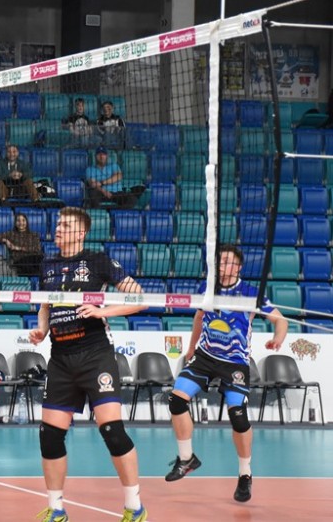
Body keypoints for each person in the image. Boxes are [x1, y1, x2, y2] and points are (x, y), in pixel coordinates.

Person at [30, 206, 148, 522]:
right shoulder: (47, 264)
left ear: (81, 232)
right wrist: (42, 329)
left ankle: (134, 506)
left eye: (66, 225)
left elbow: (140, 298)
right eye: (58, 223)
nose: (58, 229)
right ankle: (56, 509)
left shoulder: (98, 261)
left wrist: (102, 311)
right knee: (49, 436)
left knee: (112, 430)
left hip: (95, 355)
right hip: (60, 358)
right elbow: (45, 305)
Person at [165, 245, 288, 504]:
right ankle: (187, 458)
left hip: (235, 362)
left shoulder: (251, 293)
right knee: (176, 400)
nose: (223, 266)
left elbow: (281, 320)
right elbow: (199, 317)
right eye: (220, 262)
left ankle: (245, 474)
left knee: (238, 416)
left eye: (229, 262)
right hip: (205, 356)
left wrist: (278, 338)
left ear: (239, 267)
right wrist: (191, 348)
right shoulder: (208, 289)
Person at [0, 211, 43, 277]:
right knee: (27, 264)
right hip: (20, 260)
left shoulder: (34, 235)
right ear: (15, 223)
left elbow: (37, 249)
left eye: (23, 220)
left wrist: (18, 248)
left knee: (40, 258)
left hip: (33, 258)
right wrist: (5, 240)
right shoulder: (11, 234)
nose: (21, 223)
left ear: (26, 222)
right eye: (18, 221)